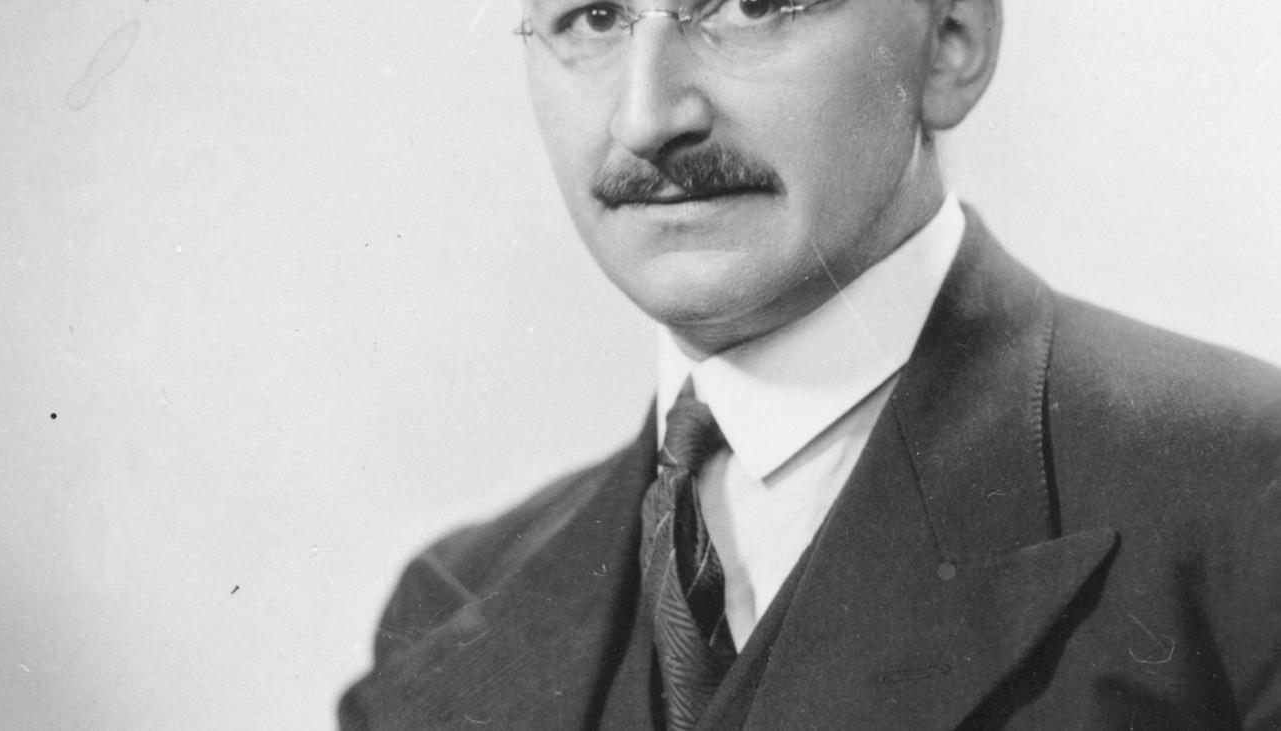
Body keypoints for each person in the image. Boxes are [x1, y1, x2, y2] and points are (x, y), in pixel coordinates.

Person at [340, 0, 1281, 727]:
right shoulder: (448, 613)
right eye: (594, 18)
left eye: (751, 7)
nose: (647, 116)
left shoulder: (1244, 495)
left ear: (952, 41)